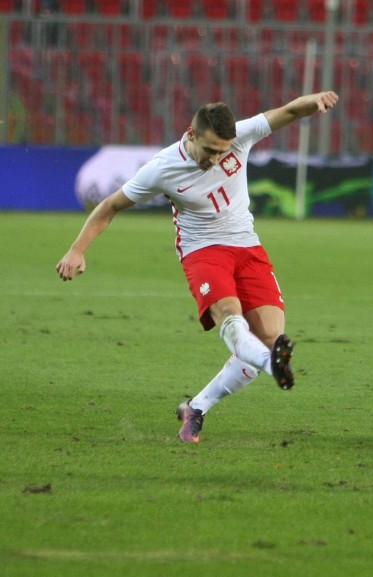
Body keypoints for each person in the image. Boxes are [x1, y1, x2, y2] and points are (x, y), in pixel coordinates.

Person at [56, 91, 340, 442]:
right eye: (210, 150)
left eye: (223, 151)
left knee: (269, 337)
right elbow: (110, 206)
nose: (217, 158)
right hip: (203, 252)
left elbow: (290, 111)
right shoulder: (162, 168)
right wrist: (76, 250)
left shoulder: (241, 135)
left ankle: (198, 406)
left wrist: (314, 103)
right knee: (238, 326)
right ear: (191, 135)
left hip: (248, 247)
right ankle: (273, 366)